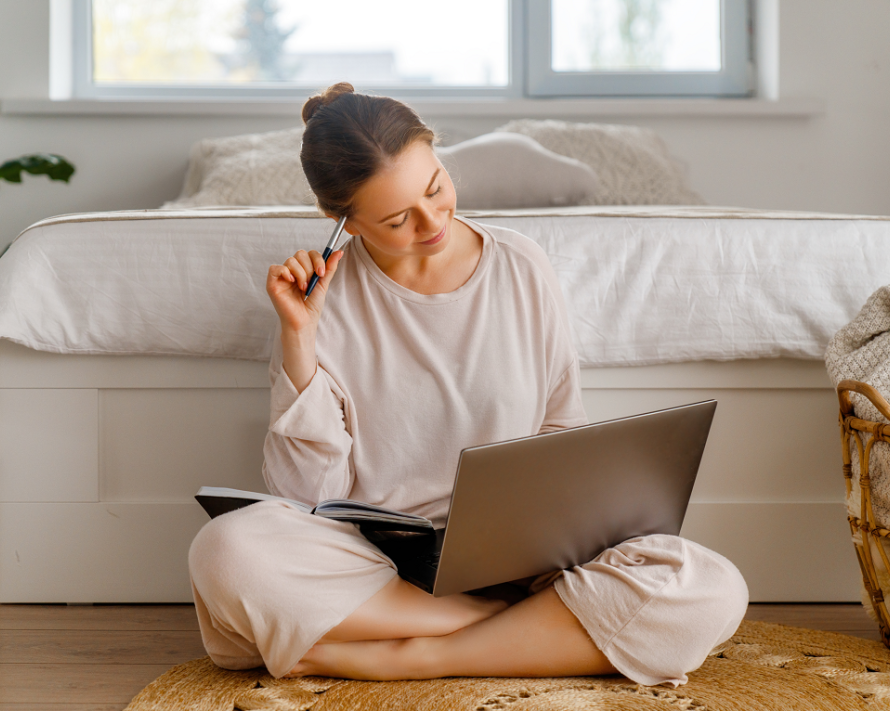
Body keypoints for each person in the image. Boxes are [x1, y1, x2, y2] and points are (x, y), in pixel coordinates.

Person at [188, 82, 749, 686]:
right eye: (398, 218)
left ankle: (410, 654)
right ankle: (499, 624)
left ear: (437, 153)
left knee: (711, 587)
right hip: (376, 562)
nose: (432, 222)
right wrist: (299, 340)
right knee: (228, 550)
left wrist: (571, 527)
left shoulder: (521, 264)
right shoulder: (322, 303)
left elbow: (562, 424)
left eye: (436, 188)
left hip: (524, 553)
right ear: (340, 220)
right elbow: (307, 495)